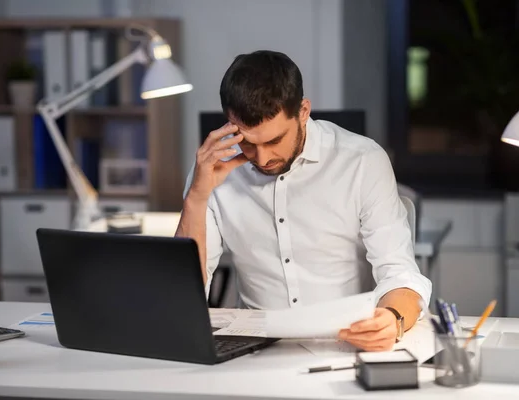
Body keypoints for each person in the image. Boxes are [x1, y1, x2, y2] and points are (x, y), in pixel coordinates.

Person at [176, 50, 432, 352]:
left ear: (303, 112)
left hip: (347, 342)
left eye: (273, 141)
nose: (262, 157)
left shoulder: (362, 161)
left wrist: (392, 319)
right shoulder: (212, 168)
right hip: (253, 348)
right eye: (247, 142)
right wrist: (196, 197)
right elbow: (183, 297)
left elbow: (399, 272)